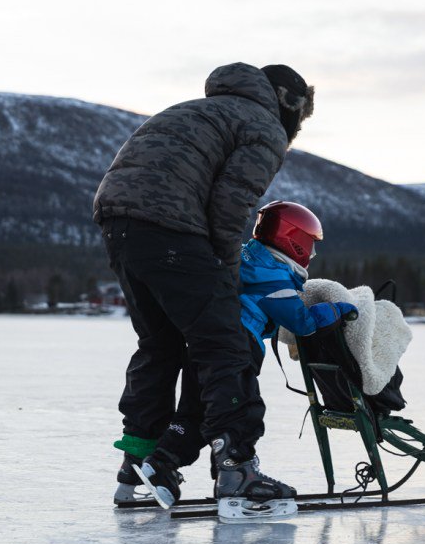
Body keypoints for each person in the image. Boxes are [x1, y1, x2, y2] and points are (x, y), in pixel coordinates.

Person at [94, 63, 315, 513]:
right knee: (225, 346)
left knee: (160, 345)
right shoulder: (263, 126)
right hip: (173, 229)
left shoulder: (199, 109)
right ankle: (237, 468)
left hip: (119, 227)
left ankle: (138, 463)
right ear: (288, 104)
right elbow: (231, 207)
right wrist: (227, 275)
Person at [133, 201, 357, 522]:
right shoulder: (272, 275)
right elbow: (302, 322)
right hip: (235, 347)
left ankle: (161, 465)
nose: (312, 253)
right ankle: (238, 477)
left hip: (201, 344)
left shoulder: (243, 258)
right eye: (310, 245)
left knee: (196, 412)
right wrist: (336, 309)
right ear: (294, 241)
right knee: (242, 408)